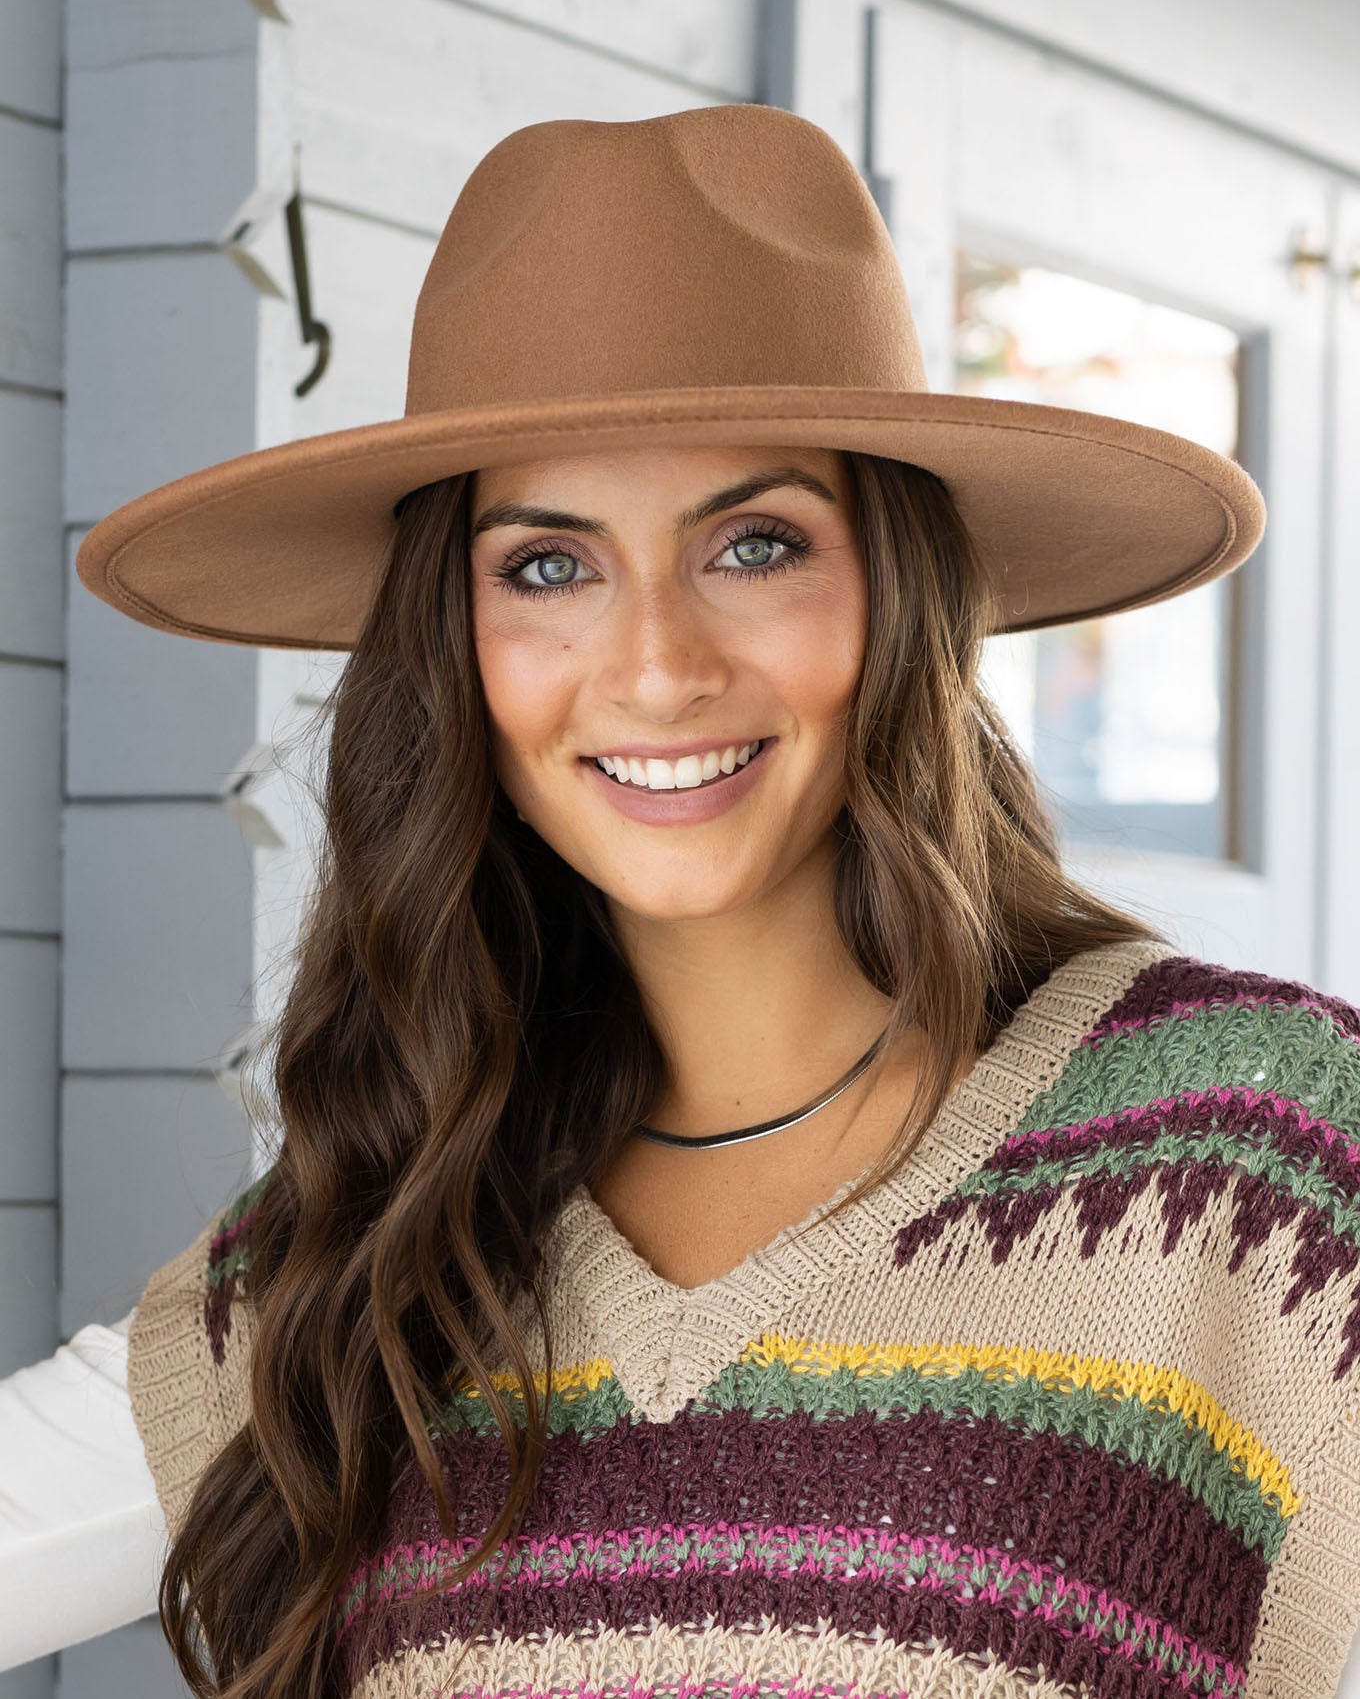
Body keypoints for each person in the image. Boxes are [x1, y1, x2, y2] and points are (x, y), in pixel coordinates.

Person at [5, 100, 1360, 1699]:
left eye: (756, 542)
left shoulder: (1255, 1164)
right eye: (547, 567)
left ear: (902, 596)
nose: (655, 666)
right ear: (455, 645)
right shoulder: (356, 1273)